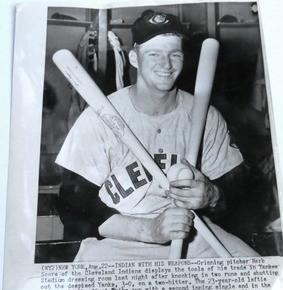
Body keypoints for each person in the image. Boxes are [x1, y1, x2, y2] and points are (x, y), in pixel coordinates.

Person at [56, 11, 258, 261]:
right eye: (154, 54)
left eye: (174, 54)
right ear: (134, 58)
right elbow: (73, 208)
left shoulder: (206, 115)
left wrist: (212, 196)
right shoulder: (98, 117)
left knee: (259, 277)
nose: (166, 64)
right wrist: (148, 230)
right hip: (119, 241)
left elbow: (241, 195)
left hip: (194, 236)